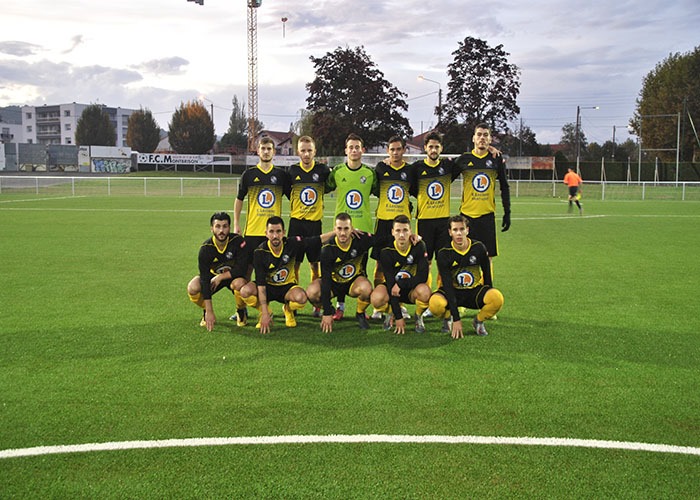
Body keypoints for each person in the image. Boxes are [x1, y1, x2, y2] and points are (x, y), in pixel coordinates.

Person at [239, 216, 335, 334]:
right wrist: (264, 312)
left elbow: (316, 240)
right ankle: (266, 312)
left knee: (301, 298)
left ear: (284, 232)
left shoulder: (292, 243)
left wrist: (337, 232)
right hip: (268, 287)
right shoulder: (260, 252)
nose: (275, 236)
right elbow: (261, 284)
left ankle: (288, 309)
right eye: (271, 232)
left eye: (278, 231)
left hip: (287, 288)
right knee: (245, 291)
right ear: (266, 233)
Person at [325, 133, 378, 320]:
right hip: (341, 229)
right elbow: (324, 187)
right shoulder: (337, 172)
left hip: (363, 228)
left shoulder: (370, 173)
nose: (354, 150)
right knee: (339, 266)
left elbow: (382, 192)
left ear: (362, 150)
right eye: (351, 147)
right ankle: (340, 306)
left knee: (360, 268)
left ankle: (361, 310)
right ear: (345, 151)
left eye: (357, 147)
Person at [428, 215, 504, 339]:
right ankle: (448, 317)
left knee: (497, 298)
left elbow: (487, 276)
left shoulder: (479, 247)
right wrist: (456, 318)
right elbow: (447, 285)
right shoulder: (444, 253)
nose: (459, 233)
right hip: (453, 292)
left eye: (462, 229)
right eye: (455, 230)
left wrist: (488, 294)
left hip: (473, 292)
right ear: (450, 232)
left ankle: (478, 321)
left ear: (467, 230)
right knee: (435, 304)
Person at [409, 132, 462, 290]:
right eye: (430, 146)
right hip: (424, 221)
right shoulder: (417, 168)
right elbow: (409, 187)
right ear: (425, 148)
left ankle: (442, 294)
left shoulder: (447, 167)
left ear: (441, 148)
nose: (433, 150)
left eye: (436, 147)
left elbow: (469, 158)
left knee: (444, 261)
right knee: (426, 262)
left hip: (443, 221)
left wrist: (490, 149)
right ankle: (426, 298)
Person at [306, 213, 376, 333]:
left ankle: (360, 314)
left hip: (352, 283)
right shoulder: (327, 249)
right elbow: (326, 281)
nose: (343, 233)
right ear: (334, 229)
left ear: (352, 228)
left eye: (346, 228)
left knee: (366, 288)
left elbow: (383, 240)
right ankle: (331, 309)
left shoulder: (361, 240)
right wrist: (327, 312)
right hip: (333, 283)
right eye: (339, 229)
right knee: (312, 293)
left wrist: (409, 236)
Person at [369, 135, 414, 320]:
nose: (395, 153)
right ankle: (378, 307)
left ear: (404, 150)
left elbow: (416, 191)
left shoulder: (410, 171)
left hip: (402, 224)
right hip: (383, 222)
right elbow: (373, 189)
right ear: (388, 151)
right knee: (380, 262)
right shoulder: (381, 168)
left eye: (398, 149)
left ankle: (400, 304)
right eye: (392, 149)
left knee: (402, 264)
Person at [286, 135, 331, 317]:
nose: (306, 154)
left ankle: (316, 303)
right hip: (296, 223)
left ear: (315, 151)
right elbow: (288, 192)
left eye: (309, 150)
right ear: (298, 152)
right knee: (294, 264)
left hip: (314, 225)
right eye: (303, 150)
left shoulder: (322, 170)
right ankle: (293, 303)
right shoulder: (291, 171)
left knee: (315, 264)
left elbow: (331, 185)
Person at [233, 137, 290, 274]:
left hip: (273, 233)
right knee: (247, 271)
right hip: (252, 231)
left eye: (269, 149)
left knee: (272, 272)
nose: (266, 152)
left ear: (274, 152)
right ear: (258, 151)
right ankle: (248, 296)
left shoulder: (281, 175)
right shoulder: (248, 174)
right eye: (263, 149)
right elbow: (239, 199)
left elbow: (293, 198)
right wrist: (236, 223)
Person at [455, 123, 511, 260]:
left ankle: (487, 282)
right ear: (473, 138)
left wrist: (507, 212)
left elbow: (504, 186)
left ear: (490, 139)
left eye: (486, 135)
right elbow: (444, 178)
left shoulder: (496, 159)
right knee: (465, 258)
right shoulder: (464, 159)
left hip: (487, 217)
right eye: (479, 134)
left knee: (487, 259)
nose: (482, 138)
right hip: (466, 216)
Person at [187, 212, 249, 331]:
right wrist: (209, 311)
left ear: (229, 228)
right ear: (212, 229)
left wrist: (221, 277)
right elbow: (205, 279)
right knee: (193, 287)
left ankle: (241, 311)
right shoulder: (206, 249)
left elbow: (242, 268)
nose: (221, 230)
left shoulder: (238, 241)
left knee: (240, 283)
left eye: (225, 226)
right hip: (212, 279)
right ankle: (206, 311)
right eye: (218, 226)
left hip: (232, 277)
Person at [370, 215, 431, 334]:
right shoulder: (386, 252)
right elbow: (391, 285)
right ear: (393, 232)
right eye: (398, 231)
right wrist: (399, 317)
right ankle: (390, 313)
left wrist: (401, 284)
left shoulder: (419, 246)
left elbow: (423, 276)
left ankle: (418, 316)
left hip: (411, 290)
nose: (402, 235)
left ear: (410, 231)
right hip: (393, 289)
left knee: (425, 292)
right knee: (377, 298)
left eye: (405, 230)